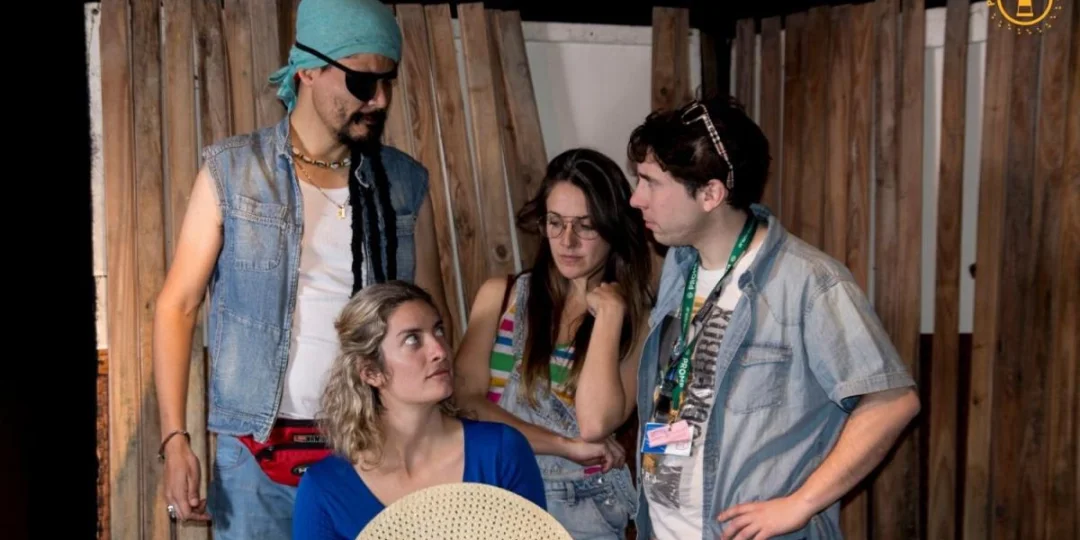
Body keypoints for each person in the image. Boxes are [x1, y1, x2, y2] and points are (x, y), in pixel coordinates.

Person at [151, 0, 451, 537]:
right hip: (256, 459)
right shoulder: (234, 172)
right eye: (362, 82)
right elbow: (178, 305)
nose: (380, 99)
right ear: (308, 70)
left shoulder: (405, 184)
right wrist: (176, 441)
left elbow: (430, 316)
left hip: (375, 451)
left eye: (388, 81)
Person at [625, 95, 921, 540]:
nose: (636, 198)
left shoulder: (809, 282)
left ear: (710, 194)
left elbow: (893, 402)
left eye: (651, 182)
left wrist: (800, 505)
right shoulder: (680, 268)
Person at [454, 148, 654, 539]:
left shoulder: (638, 322)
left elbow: (596, 424)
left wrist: (610, 315)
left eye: (586, 225)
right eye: (555, 222)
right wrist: (562, 445)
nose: (567, 241)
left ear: (614, 228)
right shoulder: (501, 296)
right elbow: (464, 403)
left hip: (583, 511)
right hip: (494, 497)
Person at [291, 281, 546, 538]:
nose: (440, 351)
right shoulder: (324, 490)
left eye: (439, 331)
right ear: (371, 372)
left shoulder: (500, 452)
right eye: (412, 339)